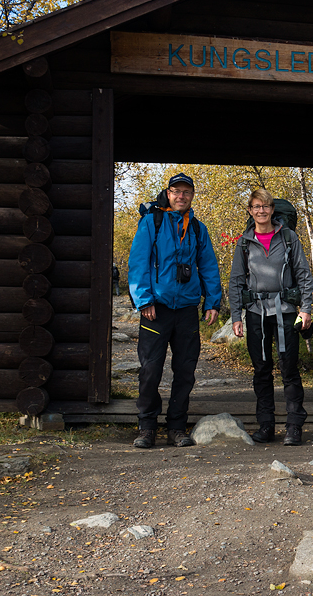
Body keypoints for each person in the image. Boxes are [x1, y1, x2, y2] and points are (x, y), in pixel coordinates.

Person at [128, 172, 222, 448]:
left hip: (187, 310)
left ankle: (177, 427)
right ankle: (147, 427)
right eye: (176, 191)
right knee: (150, 370)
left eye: (186, 192)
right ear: (168, 194)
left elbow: (208, 266)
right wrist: (143, 300)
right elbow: (138, 263)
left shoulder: (197, 228)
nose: (181, 196)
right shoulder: (151, 223)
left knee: (185, 371)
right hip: (155, 309)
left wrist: (213, 302)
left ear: (192, 196)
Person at [229, 189, 313, 446]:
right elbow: (235, 282)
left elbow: (303, 274)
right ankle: (265, 425)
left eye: (265, 206)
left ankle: (294, 426)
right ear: (250, 210)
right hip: (256, 314)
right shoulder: (244, 243)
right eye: (256, 207)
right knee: (261, 371)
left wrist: (306, 309)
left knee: (289, 369)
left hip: (286, 312)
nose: (261, 211)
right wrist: (236, 316)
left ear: (272, 210)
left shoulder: (288, 238)